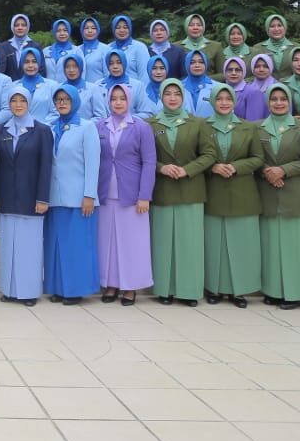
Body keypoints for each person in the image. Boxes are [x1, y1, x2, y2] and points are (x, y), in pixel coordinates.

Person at [149, 79, 216, 307]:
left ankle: (189, 290)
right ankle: (165, 289)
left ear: (183, 96)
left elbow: (209, 154)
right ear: (161, 96)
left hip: (190, 188)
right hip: (163, 189)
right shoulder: (150, 124)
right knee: (164, 242)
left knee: (190, 243)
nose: (172, 97)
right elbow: (145, 157)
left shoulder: (197, 123)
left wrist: (188, 170)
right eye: (167, 93)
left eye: (177, 93)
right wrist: (162, 167)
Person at [256, 82, 300, 310]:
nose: (279, 103)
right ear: (268, 102)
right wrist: (268, 172)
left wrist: (284, 170)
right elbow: (255, 157)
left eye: (283, 99)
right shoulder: (259, 128)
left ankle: (295, 293)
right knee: (272, 246)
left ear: (290, 102)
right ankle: (274, 291)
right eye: (274, 99)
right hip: (269, 193)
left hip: (296, 194)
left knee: (296, 247)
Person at [201, 83, 264, 308]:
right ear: (213, 101)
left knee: (241, 243)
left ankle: (240, 290)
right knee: (214, 242)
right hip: (213, 190)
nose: (224, 103)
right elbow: (196, 155)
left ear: (235, 102)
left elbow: (258, 158)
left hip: (242, 190)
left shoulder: (248, 128)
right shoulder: (203, 126)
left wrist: (237, 166)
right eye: (220, 99)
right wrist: (213, 167)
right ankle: (214, 288)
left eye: (228, 99)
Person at [0, 84, 53, 306]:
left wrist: (43, 198)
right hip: (7, 197)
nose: (18, 105)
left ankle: (28, 292)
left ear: (29, 103)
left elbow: (46, 167)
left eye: (22, 101)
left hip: (31, 199)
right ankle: (9, 290)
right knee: (8, 247)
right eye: (14, 101)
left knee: (29, 248)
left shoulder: (42, 130)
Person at [96, 82, 156, 307]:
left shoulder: (140, 127)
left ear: (129, 100)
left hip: (131, 195)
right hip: (105, 193)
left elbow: (149, 162)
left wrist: (145, 195)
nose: (118, 102)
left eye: (122, 98)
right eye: (114, 98)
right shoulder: (99, 126)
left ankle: (130, 287)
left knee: (132, 243)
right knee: (107, 242)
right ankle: (110, 284)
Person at [43, 84, 101, 305]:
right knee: (56, 245)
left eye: (67, 99)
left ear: (75, 101)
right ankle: (58, 288)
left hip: (79, 199)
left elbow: (93, 163)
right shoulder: (50, 126)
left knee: (77, 246)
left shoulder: (87, 127)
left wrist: (89, 195)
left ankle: (76, 290)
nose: (62, 103)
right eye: (59, 99)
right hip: (55, 197)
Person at [58, 55, 107, 121]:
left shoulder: (93, 89)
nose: (71, 70)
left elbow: (101, 116)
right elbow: (54, 114)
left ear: (81, 68)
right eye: (68, 67)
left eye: (75, 66)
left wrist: (83, 127)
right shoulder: (59, 89)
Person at [108, 15, 150, 82]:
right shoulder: (108, 48)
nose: (122, 30)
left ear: (130, 28)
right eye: (118, 27)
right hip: (112, 90)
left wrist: (141, 91)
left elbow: (145, 75)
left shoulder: (139, 47)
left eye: (125, 27)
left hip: (134, 90)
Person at [0, 14, 41, 80]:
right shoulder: (4, 47)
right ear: (12, 27)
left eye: (23, 25)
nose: (20, 28)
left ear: (28, 27)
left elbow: (41, 70)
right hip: (10, 87)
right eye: (17, 25)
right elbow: (1, 70)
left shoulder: (35, 46)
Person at [180, 50, 215, 117]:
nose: (197, 65)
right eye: (192, 62)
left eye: (201, 62)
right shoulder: (178, 86)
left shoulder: (217, 87)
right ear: (187, 64)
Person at [76, 17, 108, 82]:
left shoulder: (105, 49)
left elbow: (108, 75)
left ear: (98, 30)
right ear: (82, 30)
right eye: (86, 28)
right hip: (79, 90)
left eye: (93, 28)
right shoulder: (76, 50)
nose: (90, 31)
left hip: (99, 90)